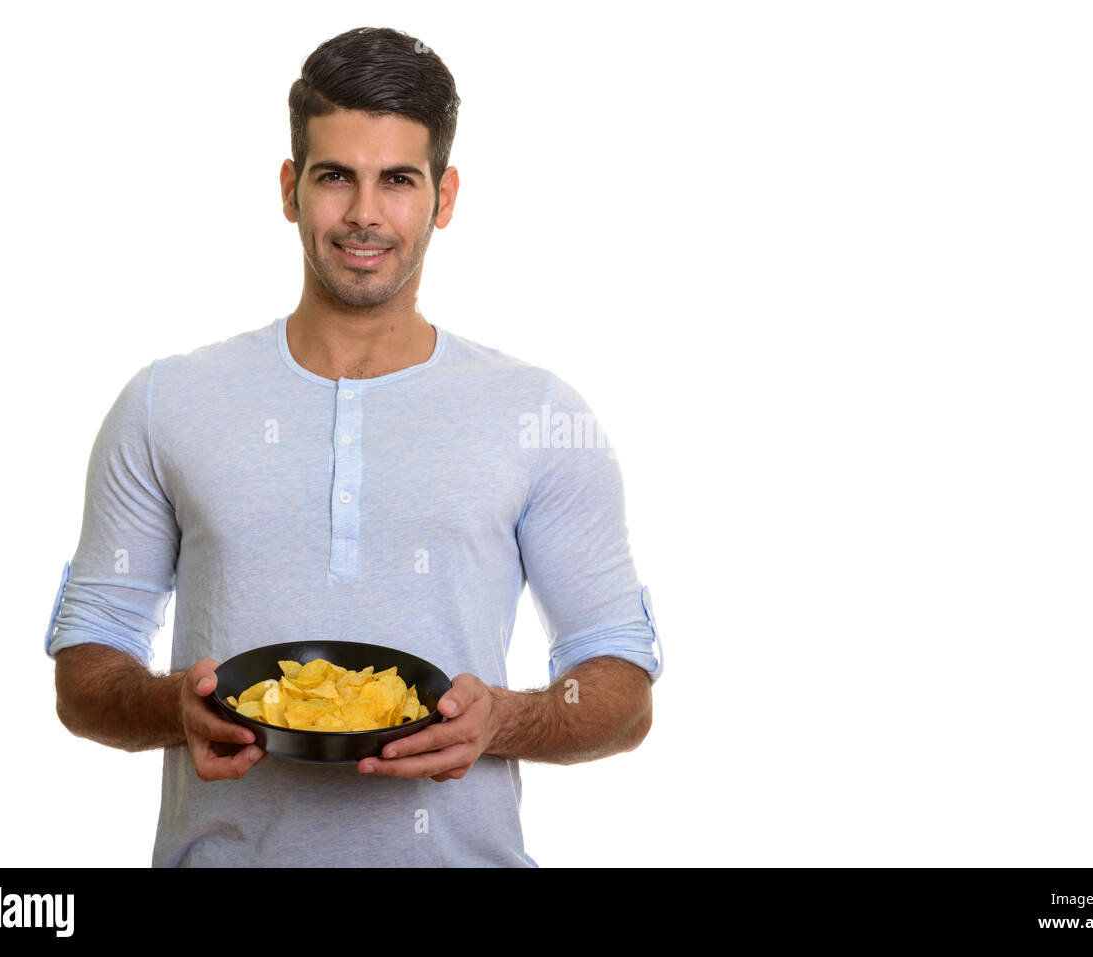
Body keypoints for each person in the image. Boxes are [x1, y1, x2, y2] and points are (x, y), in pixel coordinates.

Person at [45, 26, 662, 867]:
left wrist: (501, 722)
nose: (365, 214)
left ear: (443, 197)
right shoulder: (166, 402)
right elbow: (86, 675)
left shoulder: (540, 414)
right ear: (292, 188)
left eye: (397, 181)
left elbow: (620, 691)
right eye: (336, 176)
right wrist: (170, 707)